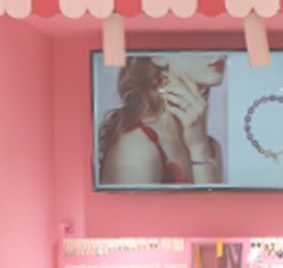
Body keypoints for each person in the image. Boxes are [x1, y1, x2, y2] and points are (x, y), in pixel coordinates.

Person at [97, 54, 226, 185]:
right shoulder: (136, 148)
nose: (219, 53)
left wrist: (199, 148)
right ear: (159, 57)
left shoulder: (211, 146)